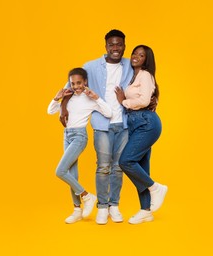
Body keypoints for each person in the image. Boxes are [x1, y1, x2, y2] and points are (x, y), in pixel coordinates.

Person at [59, 29, 134, 225]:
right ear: (106, 46)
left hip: (124, 122)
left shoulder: (129, 64)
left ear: (124, 46)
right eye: (112, 44)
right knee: (103, 167)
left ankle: (114, 206)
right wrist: (63, 108)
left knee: (118, 168)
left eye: (119, 44)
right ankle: (102, 206)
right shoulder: (91, 67)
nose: (115, 48)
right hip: (102, 124)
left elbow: (144, 77)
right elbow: (70, 87)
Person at [47, 67, 113, 224]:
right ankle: (77, 210)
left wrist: (97, 98)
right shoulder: (67, 97)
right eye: (73, 83)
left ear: (85, 82)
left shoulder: (89, 98)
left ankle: (87, 196)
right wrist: (57, 98)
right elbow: (50, 111)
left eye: (79, 83)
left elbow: (109, 113)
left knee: (60, 171)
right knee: (72, 174)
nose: (76, 86)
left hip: (79, 136)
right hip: (67, 135)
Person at [115, 45, 168, 224]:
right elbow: (149, 98)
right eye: (135, 53)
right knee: (141, 168)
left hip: (146, 123)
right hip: (138, 123)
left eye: (141, 55)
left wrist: (124, 101)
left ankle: (156, 188)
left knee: (126, 161)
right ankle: (146, 210)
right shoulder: (134, 76)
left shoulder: (145, 75)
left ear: (147, 60)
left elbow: (145, 100)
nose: (136, 57)